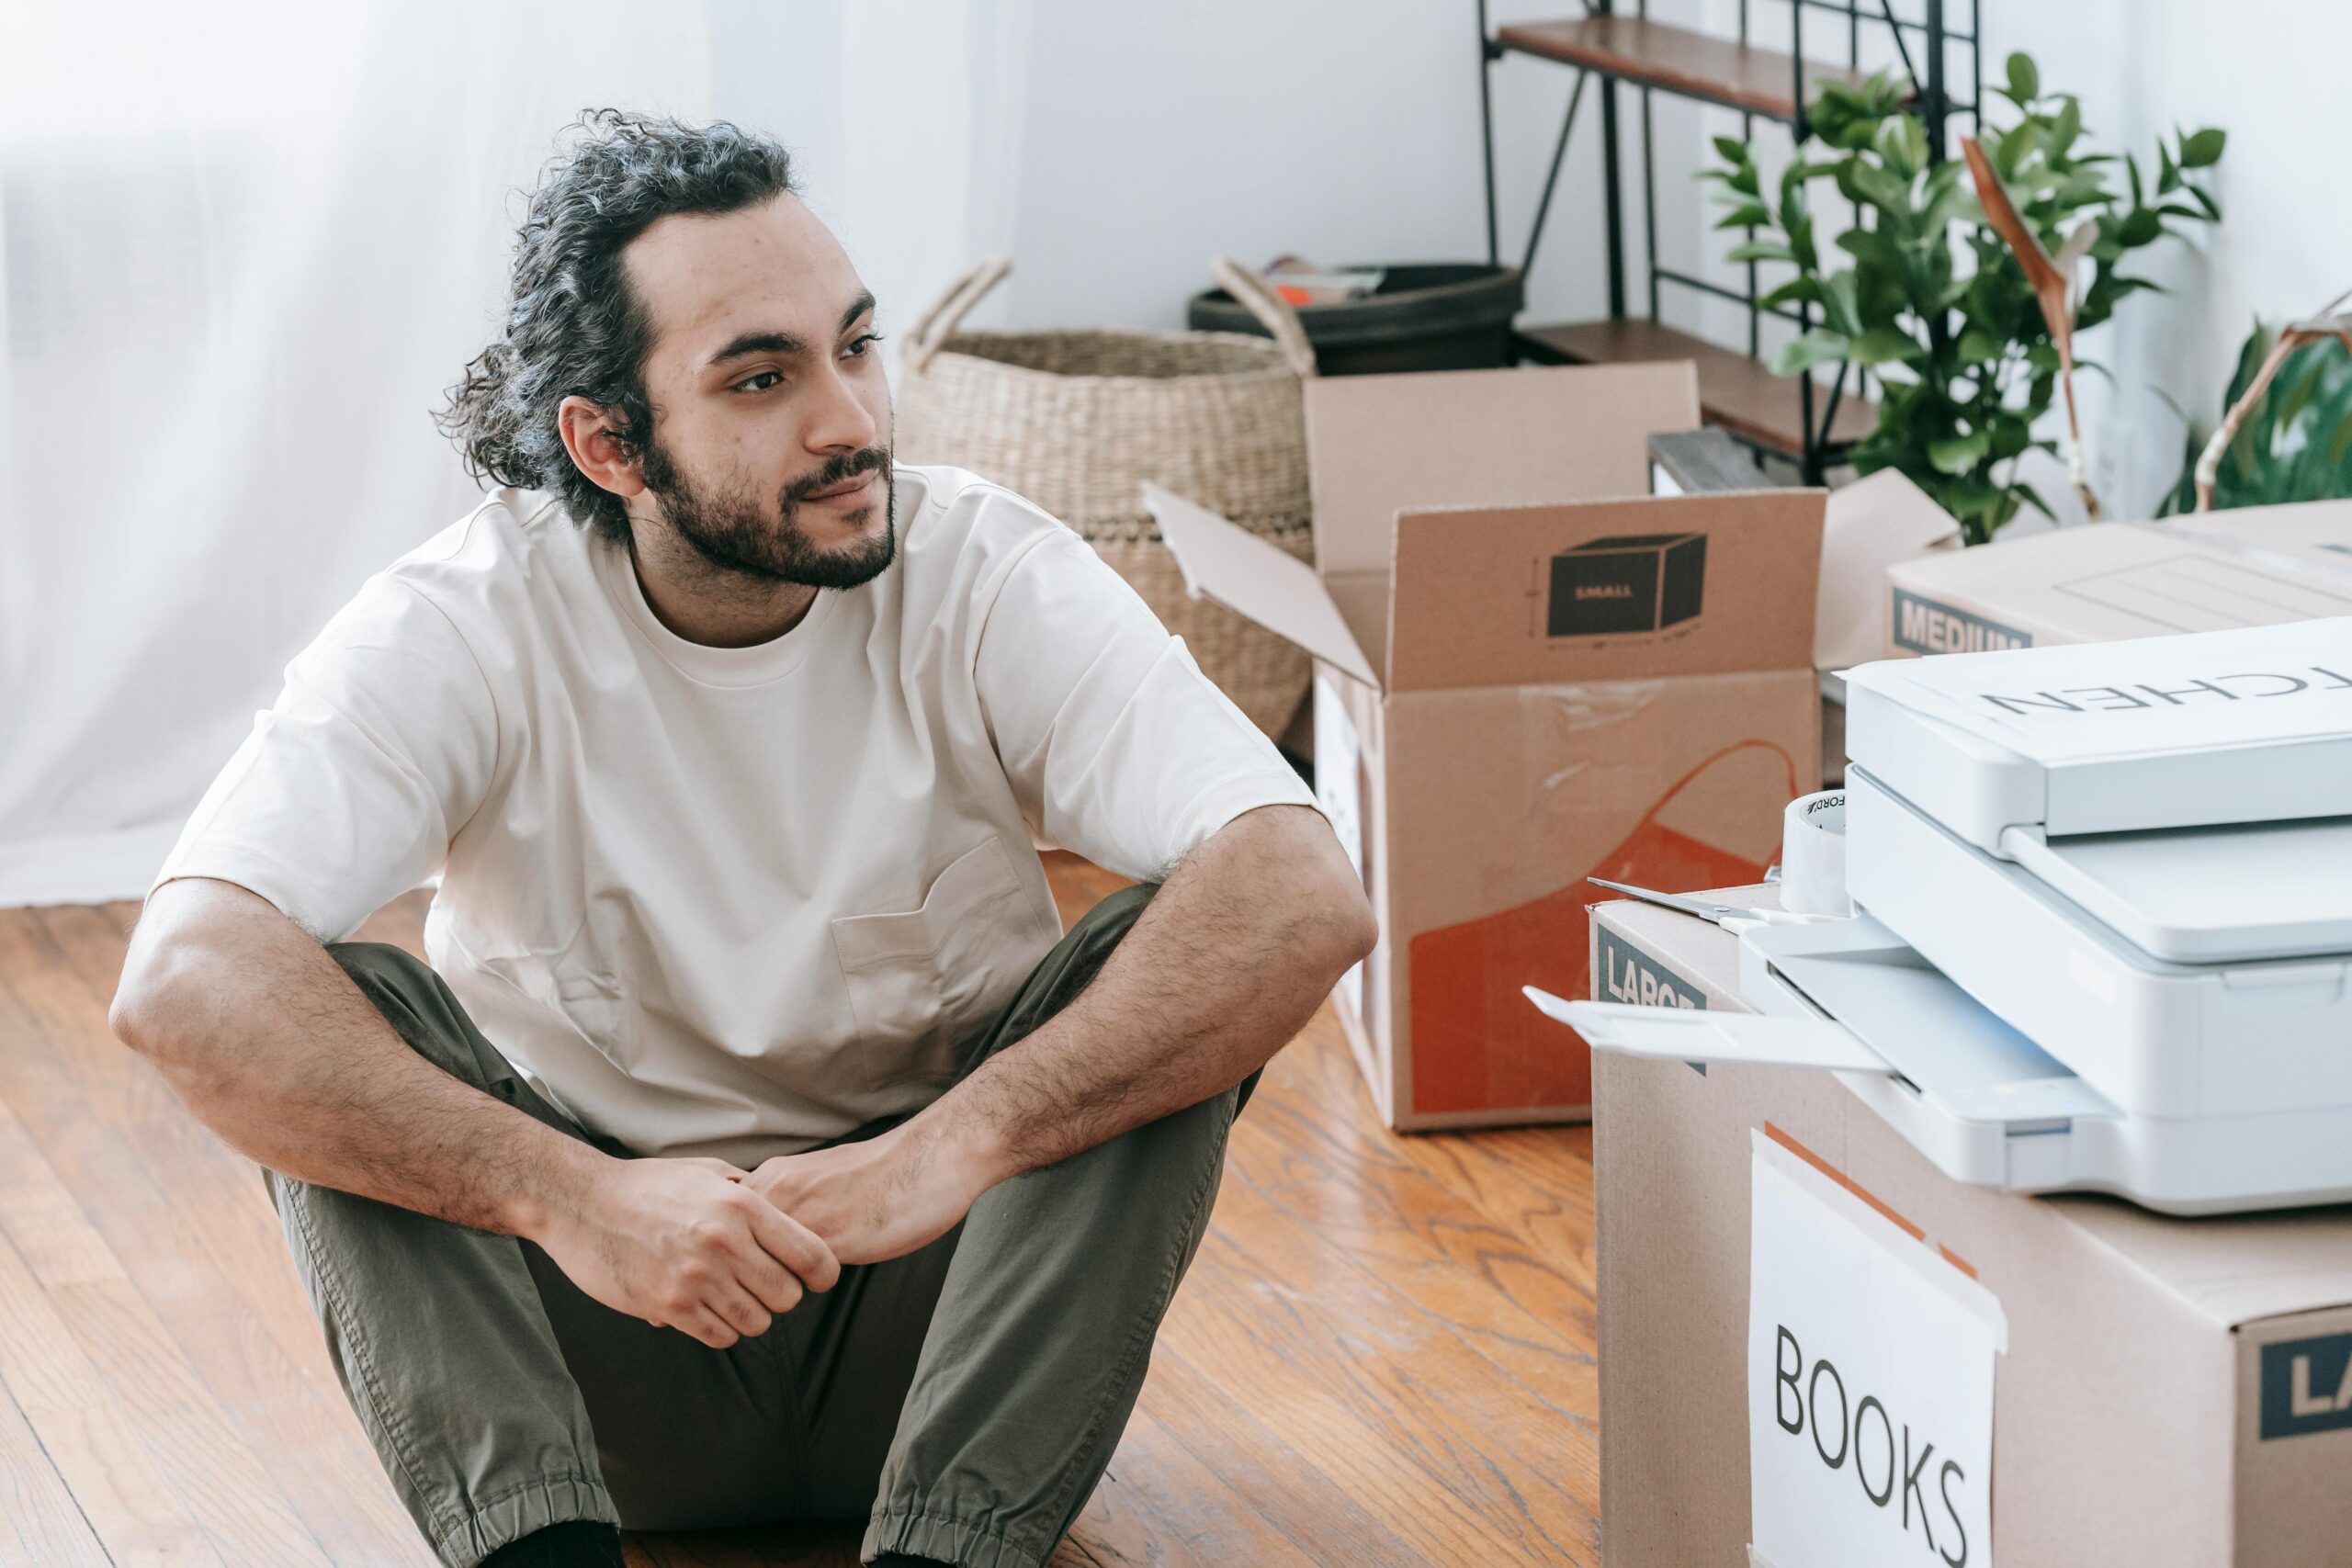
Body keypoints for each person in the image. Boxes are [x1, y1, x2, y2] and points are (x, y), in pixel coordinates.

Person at [107, 109, 1374, 1568]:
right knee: (330, 1007)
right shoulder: (463, 623)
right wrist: (576, 1198)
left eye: (857, 346)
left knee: (1175, 944)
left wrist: (951, 1148)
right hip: (610, 1353)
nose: (850, 421)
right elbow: (184, 979)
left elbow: (1302, 889)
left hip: (943, 1331)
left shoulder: (984, 571)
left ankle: (944, 1555)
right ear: (609, 444)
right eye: (763, 379)